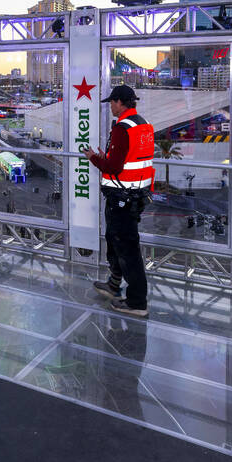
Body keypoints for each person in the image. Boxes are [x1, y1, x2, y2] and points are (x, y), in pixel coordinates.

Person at [83, 84, 155, 318]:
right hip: (135, 194)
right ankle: (114, 284)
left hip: (122, 198)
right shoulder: (142, 124)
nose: (111, 107)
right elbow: (129, 158)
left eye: (112, 103)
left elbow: (114, 167)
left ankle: (136, 302)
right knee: (115, 242)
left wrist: (94, 158)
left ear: (120, 102)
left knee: (127, 249)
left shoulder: (123, 128)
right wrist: (109, 158)